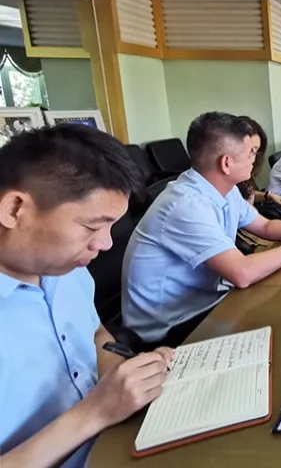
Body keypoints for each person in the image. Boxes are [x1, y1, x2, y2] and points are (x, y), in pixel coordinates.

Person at [0, 124, 173, 468]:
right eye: (92, 227)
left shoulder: (69, 270)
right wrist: (95, 412)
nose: (105, 244)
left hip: (119, 443)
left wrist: (125, 377)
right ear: (14, 209)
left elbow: (96, 334)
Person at [122, 112, 281, 348]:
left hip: (206, 300)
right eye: (250, 153)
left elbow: (265, 226)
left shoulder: (226, 188)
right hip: (170, 327)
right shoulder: (185, 204)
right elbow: (242, 273)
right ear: (226, 163)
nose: (255, 160)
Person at [236, 116, 281, 209]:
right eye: (249, 151)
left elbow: (247, 194)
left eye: (255, 151)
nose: (253, 158)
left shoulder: (243, 179)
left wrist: (268, 195)